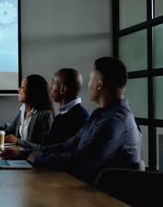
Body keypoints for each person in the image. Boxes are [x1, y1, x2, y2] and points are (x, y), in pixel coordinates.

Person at [26, 57, 142, 185]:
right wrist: (26, 153)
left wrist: (38, 159)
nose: (88, 84)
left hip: (101, 197)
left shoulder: (115, 121)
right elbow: (68, 145)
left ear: (99, 84)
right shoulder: (100, 114)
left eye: (91, 78)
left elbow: (81, 161)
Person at [2, 68, 88, 152]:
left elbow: (46, 149)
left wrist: (18, 144)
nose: (50, 87)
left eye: (53, 83)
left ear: (63, 89)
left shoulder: (76, 117)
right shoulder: (62, 116)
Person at [3, 74, 54, 146]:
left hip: (32, 156)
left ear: (33, 91)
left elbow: (44, 147)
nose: (18, 89)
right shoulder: (22, 110)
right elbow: (9, 131)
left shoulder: (45, 115)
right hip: (19, 155)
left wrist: (17, 141)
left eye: (22, 87)